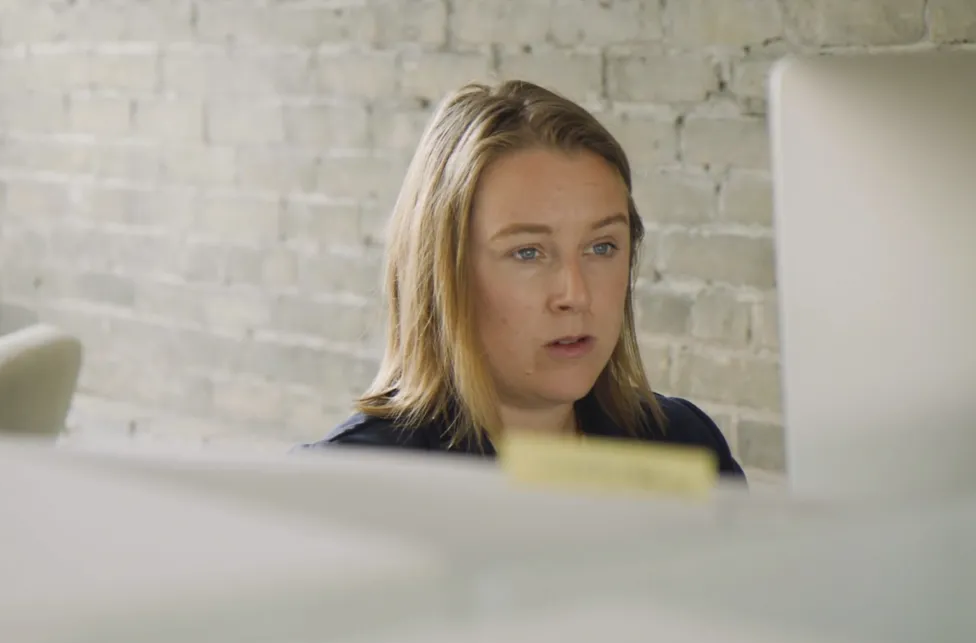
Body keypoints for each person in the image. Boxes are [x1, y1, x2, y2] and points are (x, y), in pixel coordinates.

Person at [305, 80, 745, 480]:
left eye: (602, 247)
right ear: (443, 273)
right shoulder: (348, 485)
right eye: (528, 253)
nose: (576, 295)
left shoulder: (684, 446)